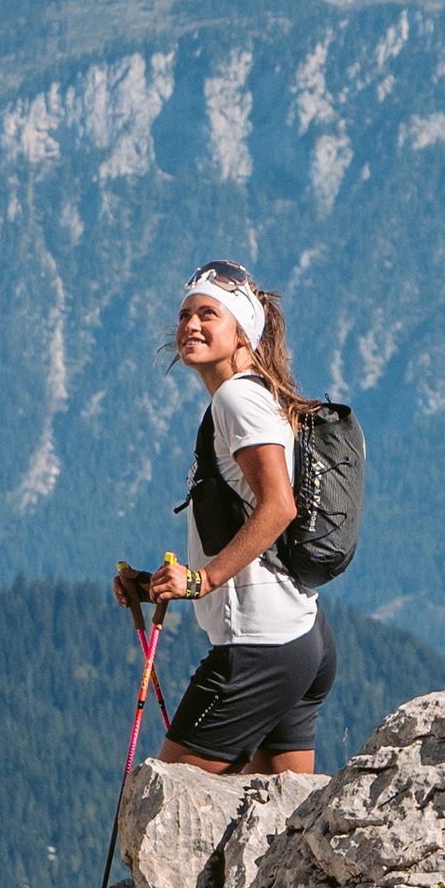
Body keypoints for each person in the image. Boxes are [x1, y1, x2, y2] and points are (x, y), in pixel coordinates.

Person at [115, 261, 337, 775]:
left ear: (241, 333)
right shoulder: (255, 394)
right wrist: (156, 586)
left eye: (207, 314)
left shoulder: (238, 398)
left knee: (163, 812)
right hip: (301, 637)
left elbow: (279, 506)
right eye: (184, 314)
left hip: (258, 645)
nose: (190, 325)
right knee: (279, 828)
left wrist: (202, 579)